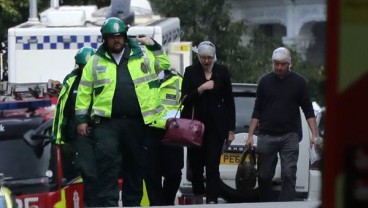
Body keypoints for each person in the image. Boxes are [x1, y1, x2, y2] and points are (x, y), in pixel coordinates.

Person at [75, 17, 170, 207]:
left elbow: (165, 65)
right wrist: (81, 119)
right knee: (107, 162)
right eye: (111, 37)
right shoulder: (95, 61)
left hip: (137, 121)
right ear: (105, 39)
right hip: (107, 122)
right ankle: (109, 203)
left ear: (125, 37)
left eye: (119, 36)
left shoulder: (142, 54)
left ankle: (132, 203)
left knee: (135, 164)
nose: (116, 40)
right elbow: (84, 92)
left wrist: (154, 46)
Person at [245, 47, 319, 202]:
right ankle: (266, 203)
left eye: (283, 64)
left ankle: (286, 204)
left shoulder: (299, 82)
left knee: (289, 173)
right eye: (276, 63)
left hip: (289, 135)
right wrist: (250, 135)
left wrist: (315, 134)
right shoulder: (264, 82)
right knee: (264, 174)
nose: (279, 67)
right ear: (272, 63)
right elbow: (257, 110)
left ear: (289, 64)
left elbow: (308, 110)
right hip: (266, 134)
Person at [181, 41, 236, 204]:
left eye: (209, 58)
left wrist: (230, 129)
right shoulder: (191, 72)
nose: (206, 61)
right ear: (199, 56)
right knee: (196, 166)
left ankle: (212, 200)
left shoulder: (222, 71)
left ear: (214, 57)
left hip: (216, 127)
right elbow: (184, 99)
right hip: (195, 127)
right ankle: (198, 196)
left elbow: (229, 102)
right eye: (203, 58)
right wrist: (201, 88)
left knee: (212, 165)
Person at [52, 46, 97, 206]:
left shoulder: (104, 80)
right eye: (82, 67)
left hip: (100, 135)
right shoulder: (71, 82)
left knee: (100, 174)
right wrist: (59, 137)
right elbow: (62, 111)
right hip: (78, 137)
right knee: (85, 173)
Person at [145, 69, 184, 206]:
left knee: (174, 172)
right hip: (149, 130)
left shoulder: (178, 80)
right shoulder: (142, 78)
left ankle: (166, 203)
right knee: (150, 172)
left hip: (172, 132)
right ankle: (156, 204)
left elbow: (186, 102)